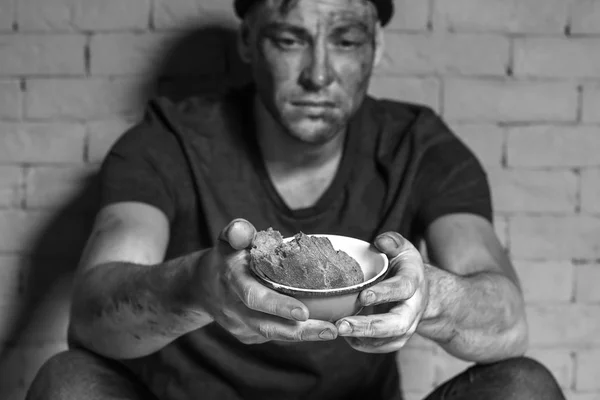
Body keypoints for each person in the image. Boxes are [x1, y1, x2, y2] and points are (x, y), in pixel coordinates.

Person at [26, 0, 566, 399]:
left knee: (524, 388)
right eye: (289, 39)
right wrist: (197, 285)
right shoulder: (169, 140)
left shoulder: (417, 145)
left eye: (347, 41)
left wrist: (433, 297)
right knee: (67, 383)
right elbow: (92, 316)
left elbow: (509, 322)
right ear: (247, 40)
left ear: (377, 47)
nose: (319, 74)